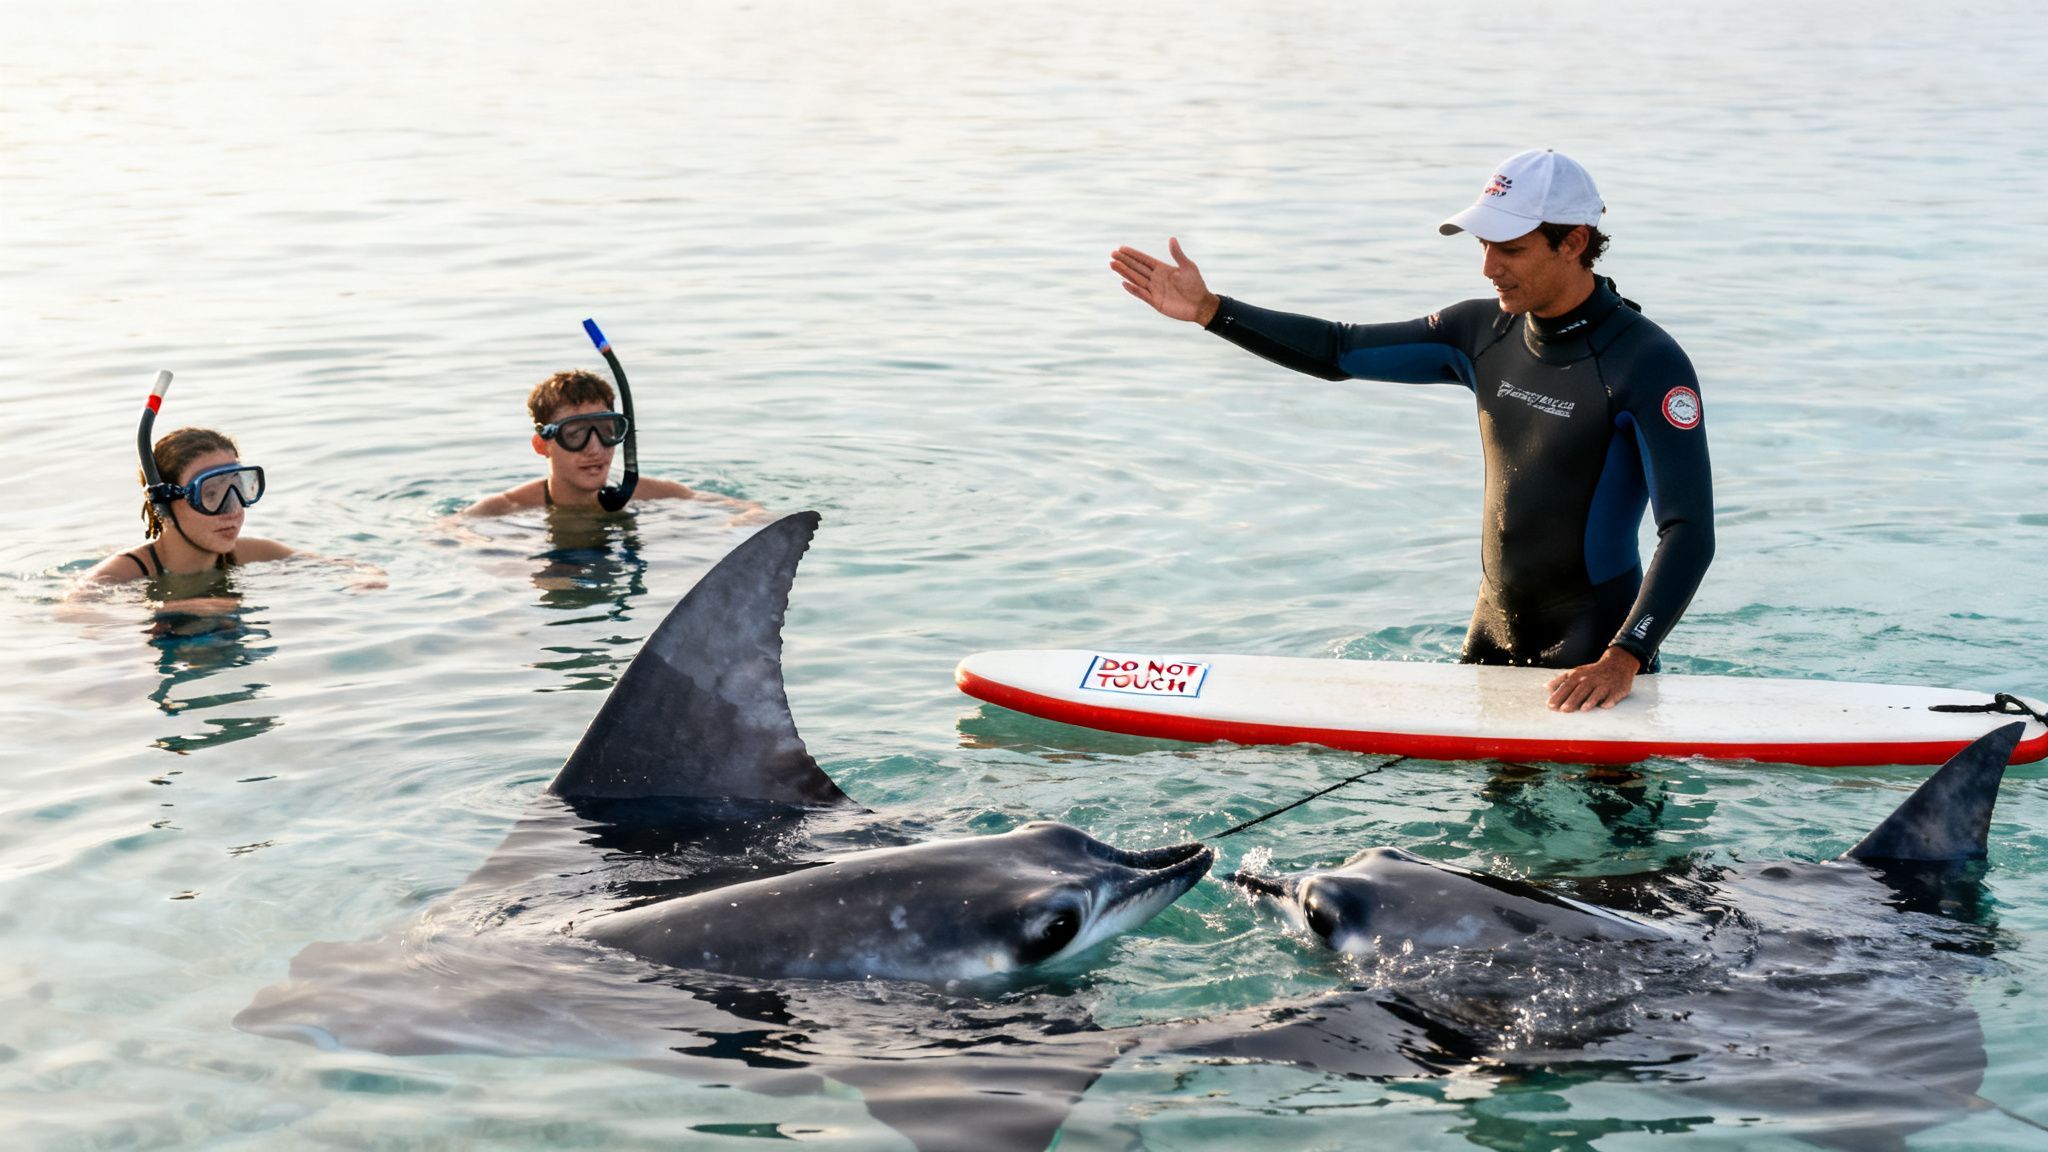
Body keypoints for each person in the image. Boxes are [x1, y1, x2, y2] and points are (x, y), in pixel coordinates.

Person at [1111, 148, 1713, 712]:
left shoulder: (1646, 364)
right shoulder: (1481, 333)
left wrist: (1624, 658)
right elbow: (1341, 349)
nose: (1487, 268)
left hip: (1595, 646)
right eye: (1482, 245)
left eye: (1508, 248)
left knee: (1618, 824)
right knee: (1495, 821)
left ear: (1573, 242)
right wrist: (1213, 311)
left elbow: (1688, 530)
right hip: (1492, 632)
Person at [462, 370, 763, 519]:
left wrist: (741, 522)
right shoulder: (508, 508)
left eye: (607, 431)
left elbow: (750, 511)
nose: (595, 449)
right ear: (543, 445)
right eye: (576, 434)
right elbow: (448, 532)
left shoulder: (651, 494)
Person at [80, 426, 293, 585]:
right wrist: (185, 609)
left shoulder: (255, 553)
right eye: (210, 494)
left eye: (239, 489)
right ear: (164, 504)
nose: (233, 510)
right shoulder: (122, 573)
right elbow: (72, 614)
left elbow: (326, 570)